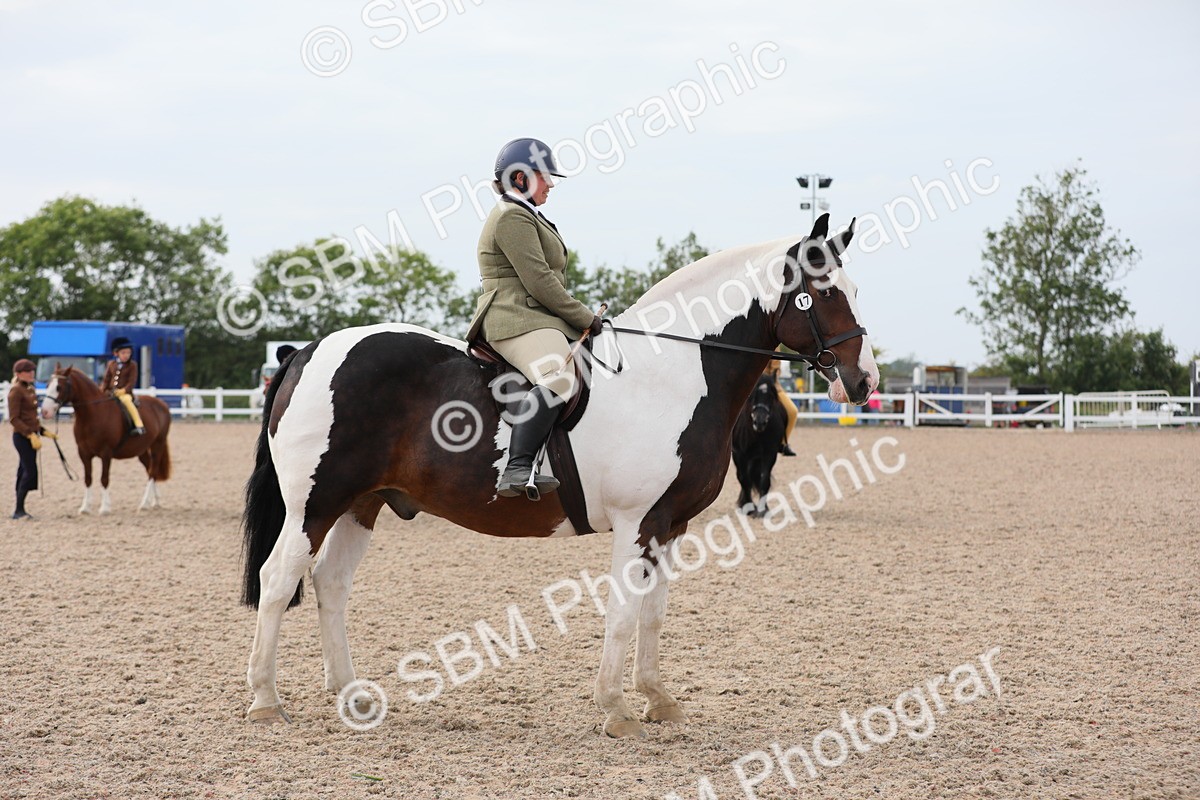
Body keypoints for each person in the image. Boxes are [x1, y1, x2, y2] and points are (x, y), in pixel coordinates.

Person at [465, 137, 603, 498]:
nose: (552, 184)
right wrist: (584, 317)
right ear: (521, 178)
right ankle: (517, 468)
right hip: (513, 317)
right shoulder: (512, 218)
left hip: (535, 316)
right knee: (558, 376)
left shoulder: (526, 214)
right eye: (545, 177)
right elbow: (540, 281)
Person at [8, 359, 56, 520]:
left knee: (24, 471)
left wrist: (43, 431)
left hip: (32, 435)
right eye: (28, 371)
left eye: (32, 371)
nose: (31, 373)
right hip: (22, 437)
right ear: (19, 373)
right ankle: (18, 510)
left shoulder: (29, 389)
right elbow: (14, 419)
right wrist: (29, 434)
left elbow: (30, 417)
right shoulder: (15, 391)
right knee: (29, 472)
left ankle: (19, 508)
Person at [101, 337, 145, 435]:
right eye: (123, 353)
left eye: (128, 353)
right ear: (116, 353)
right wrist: (103, 390)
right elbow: (106, 379)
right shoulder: (111, 364)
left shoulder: (132, 365)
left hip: (125, 393)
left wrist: (123, 390)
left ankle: (138, 425)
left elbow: (132, 381)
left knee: (126, 401)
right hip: (111, 392)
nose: (126, 355)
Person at [765, 353, 799, 456]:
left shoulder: (775, 345)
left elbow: (776, 368)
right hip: (749, 385)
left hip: (771, 385)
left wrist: (768, 382)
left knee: (792, 411)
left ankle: (782, 443)